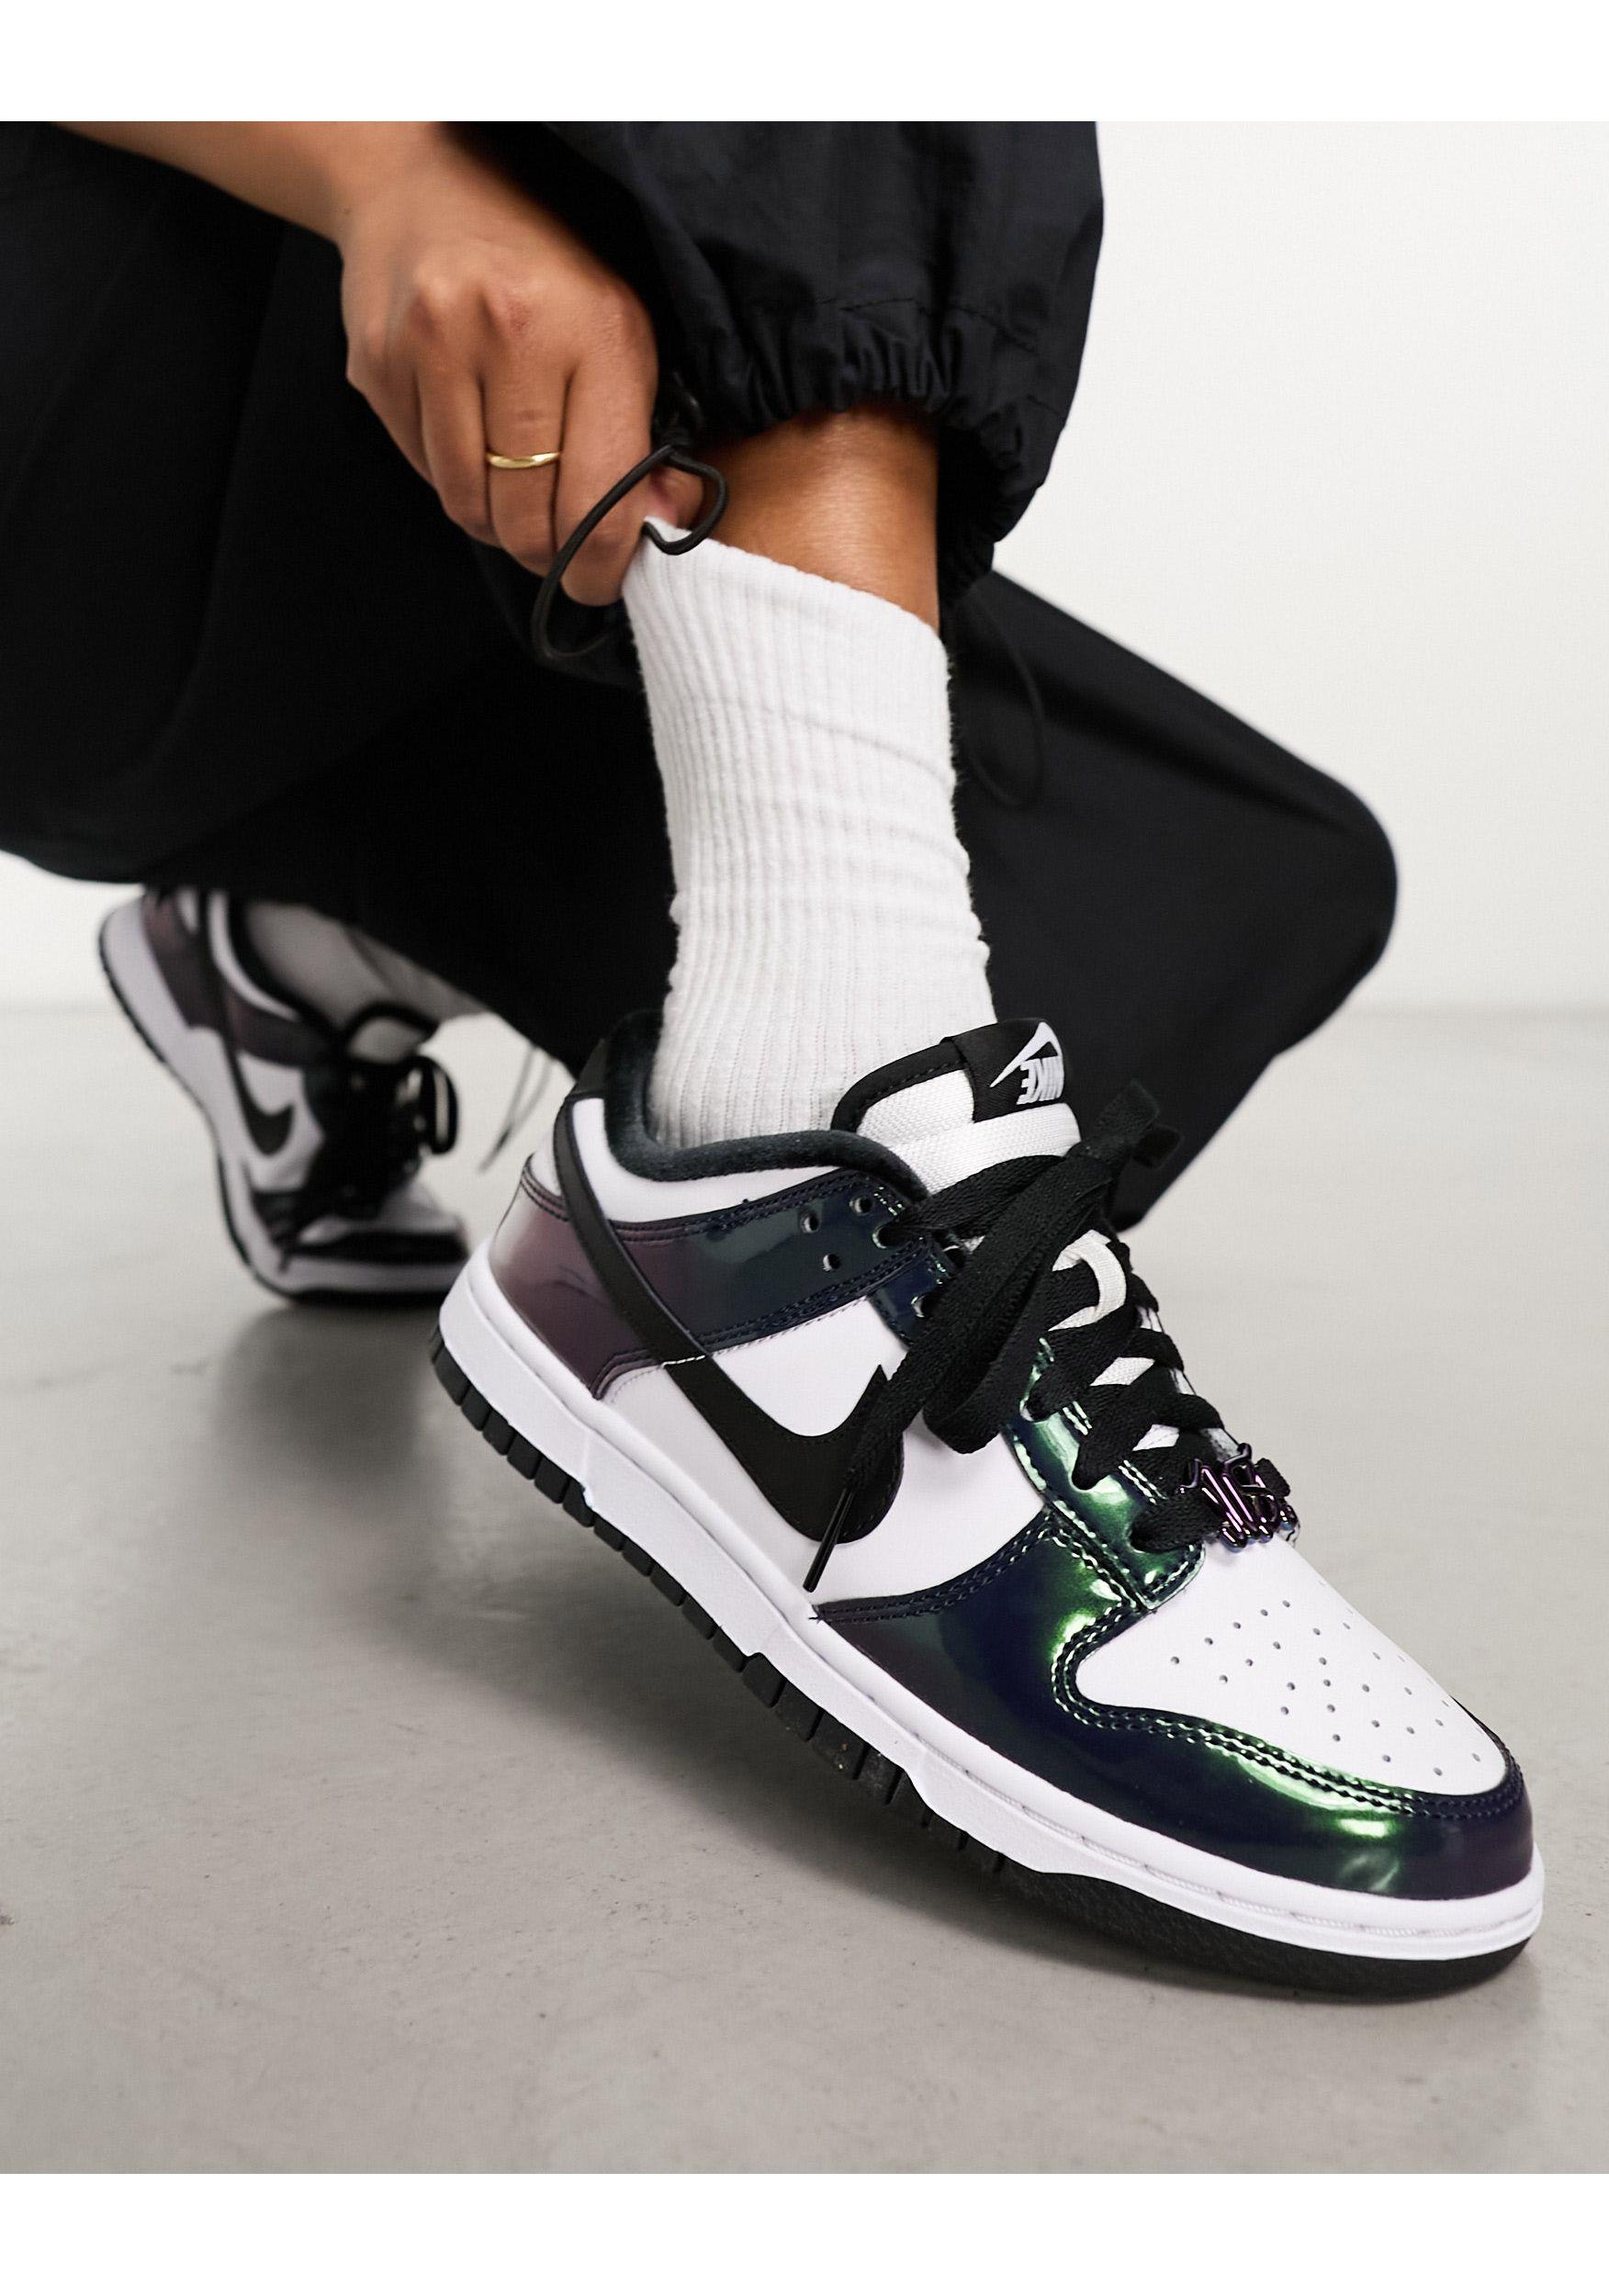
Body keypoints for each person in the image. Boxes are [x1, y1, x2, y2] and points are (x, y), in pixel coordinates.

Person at [0, 121, 1537, 1986]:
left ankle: (301, 956)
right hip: (77, 429)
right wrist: (374, 166)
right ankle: (798, 1129)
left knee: (1234, 893)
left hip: (429, 513)